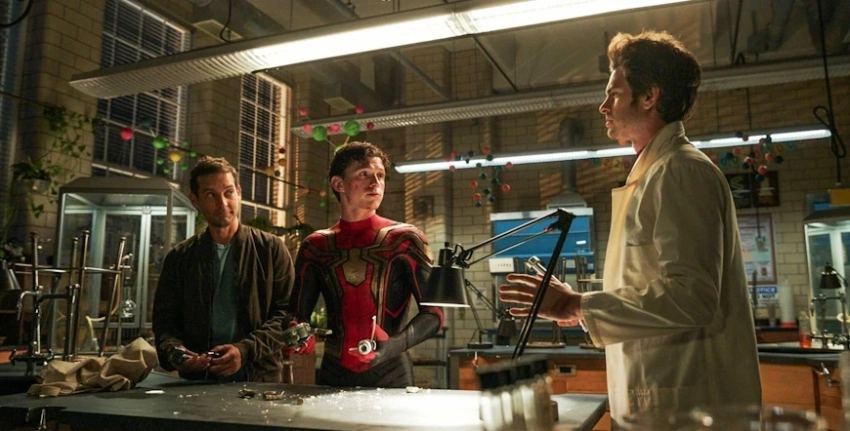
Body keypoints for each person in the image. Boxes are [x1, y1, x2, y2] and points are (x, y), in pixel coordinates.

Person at [499, 31, 761, 425]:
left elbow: (692, 297)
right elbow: (650, 290)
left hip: (689, 408)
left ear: (649, 96)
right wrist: (580, 309)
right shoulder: (654, 172)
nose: (603, 106)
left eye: (614, 94)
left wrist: (576, 304)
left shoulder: (680, 171)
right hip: (662, 400)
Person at [287, 141, 443, 387]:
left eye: (380, 175)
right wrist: (297, 333)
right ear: (338, 184)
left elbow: (434, 314)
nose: (375, 183)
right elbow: (296, 313)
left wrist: (394, 346)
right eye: (364, 174)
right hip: (333, 373)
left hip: (392, 373)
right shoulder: (316, 245)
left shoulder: (406, 239)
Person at [153, 156, 297, 382]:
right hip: (197, 381)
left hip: (259, 379)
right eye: (211, 195)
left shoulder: (270, 249)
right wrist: (175, 354)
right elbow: (165, 323)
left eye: (229, 192)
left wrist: (245, 350)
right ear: (195, 200)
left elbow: (287, 314)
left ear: (239, 192)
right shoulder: (180, 258)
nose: (223, 203)